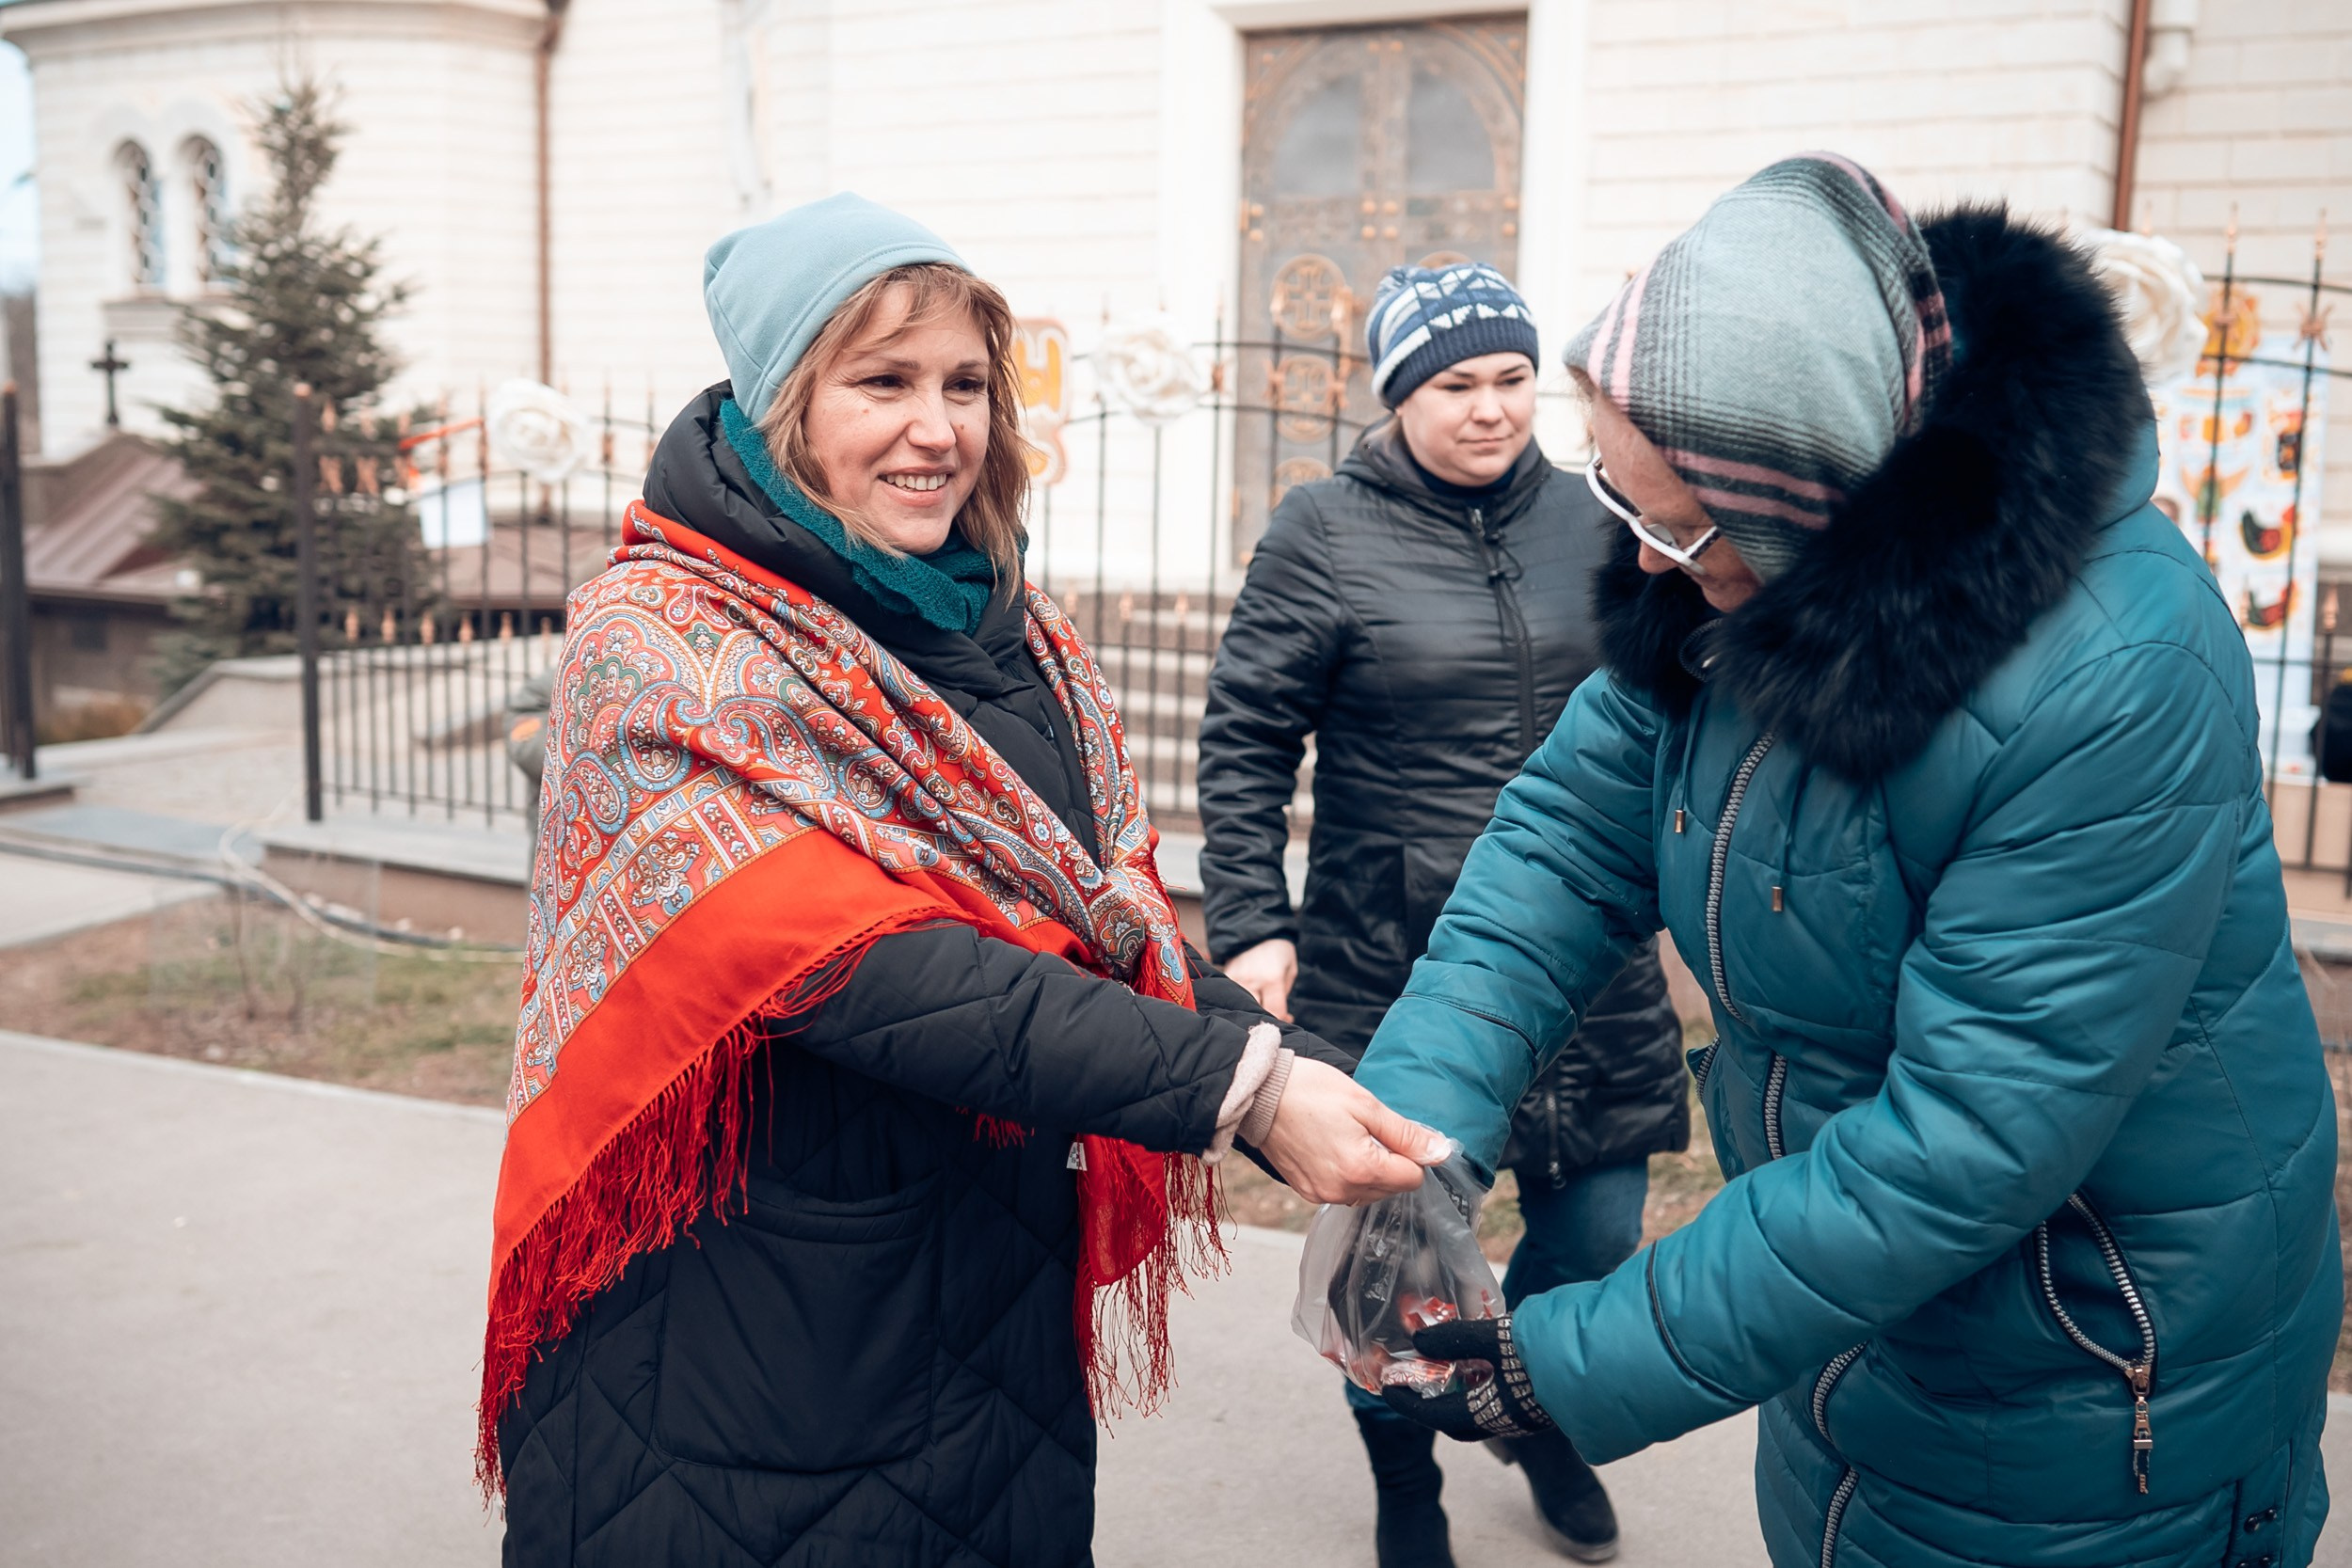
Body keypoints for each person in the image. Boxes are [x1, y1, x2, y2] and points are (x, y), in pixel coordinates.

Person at [1349, 155, 2341, 1567]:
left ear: (1796, 483)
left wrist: (1562, 1360)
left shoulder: (2116, 676)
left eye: (1669, 519)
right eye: (1613, 499)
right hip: (1848, 1346)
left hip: (2092, 1398)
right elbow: (1564, 844)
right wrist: (1418, 1139)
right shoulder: (1745, 573)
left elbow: (1964, 1142)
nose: (1637, 561)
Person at [479, 193, 1441, 1568]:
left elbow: (1070, 930)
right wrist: (1246, 1091)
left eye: (966, 384)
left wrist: (1281, 1053)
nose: (939, 429)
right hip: (747, 1332)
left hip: (985, 1287)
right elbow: (869, 967)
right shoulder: (667, 644)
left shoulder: (1003, 625)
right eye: (883, 381)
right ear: (782, 401)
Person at [1197, 260, 1687, 1565]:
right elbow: (1247, 737)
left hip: (1593, 963)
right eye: (1455, 383)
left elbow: (1679, 702)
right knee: (1398, 1261)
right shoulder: (1322, 531)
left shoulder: (1604, 520)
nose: (1491, 407)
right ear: (1397, 394)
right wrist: (1253, 916)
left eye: (1514, 378)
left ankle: (1531, 1413)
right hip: (1395, 963)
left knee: (1591, 1233)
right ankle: (1404, 1485)